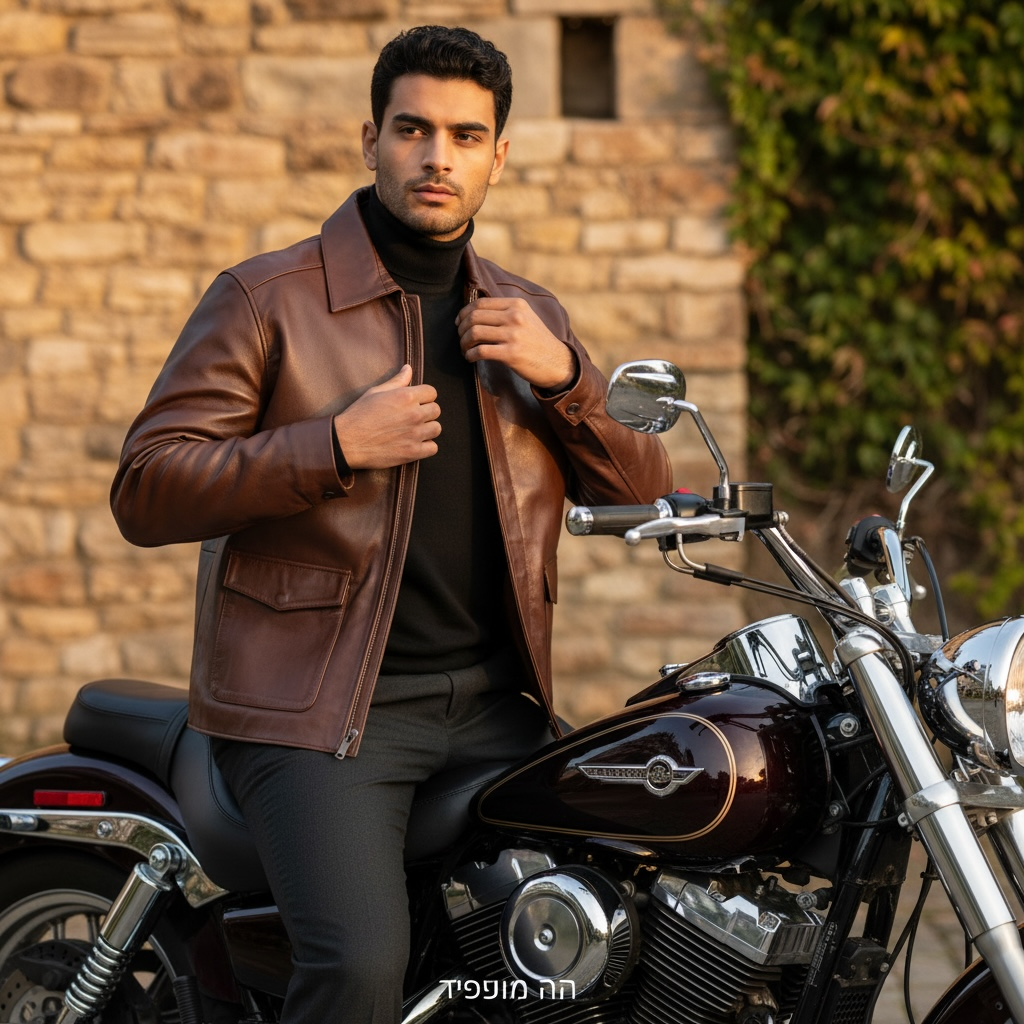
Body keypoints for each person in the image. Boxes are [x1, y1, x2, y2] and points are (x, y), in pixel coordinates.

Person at [111, 24, 672, 1024]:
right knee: (361, 970)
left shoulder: (528, 317)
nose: (437, 155)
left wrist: (571, 380)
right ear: (369, 138)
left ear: (500, 155)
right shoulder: (267, 299)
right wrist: (329, 447)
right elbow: (147, 487)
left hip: (499, 707)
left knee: (604, 944)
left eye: (465, 134)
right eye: (413, 128)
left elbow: (642, 494)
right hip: (323, 714)